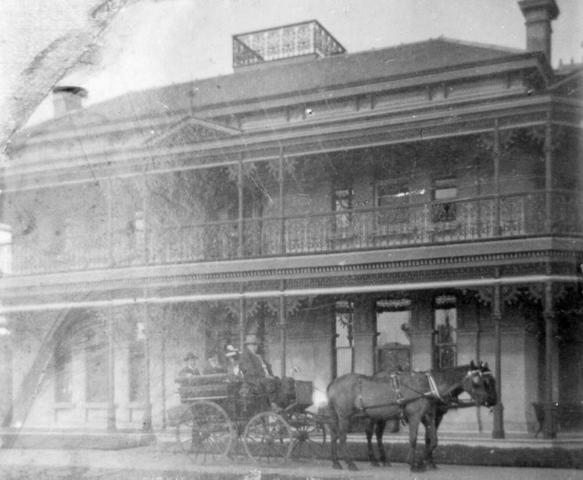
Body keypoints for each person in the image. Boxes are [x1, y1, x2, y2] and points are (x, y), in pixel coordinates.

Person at [239, 334, 281, 410]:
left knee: (278, 381)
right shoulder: (245, 356)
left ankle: (279, 403)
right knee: (269, 382)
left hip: (261, 378)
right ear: (247, 346)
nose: (255, 347)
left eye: (256, 345)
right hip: (252, 380)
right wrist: (265, 376)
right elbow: (249, 370)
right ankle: (273, 404)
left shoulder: (258, 356)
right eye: (252, 345)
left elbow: (267, 367)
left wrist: (271, 375)